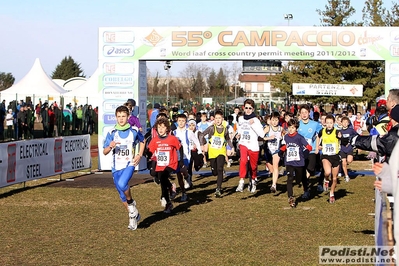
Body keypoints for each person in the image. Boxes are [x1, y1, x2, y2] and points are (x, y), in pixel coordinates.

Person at [103, 105, 144, 230]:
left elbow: (142, 141)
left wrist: (139, 154)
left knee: (122, 184)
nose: (121, 119)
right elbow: (104, 152)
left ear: (128, 117)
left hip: (129, 164)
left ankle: (132, 206)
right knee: (122, 195)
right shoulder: (112, 132)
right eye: (119, 116)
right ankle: (133, 215)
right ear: (116, 117)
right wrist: (110, 146)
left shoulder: (134, 131)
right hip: (116, 167)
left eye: (123, 116)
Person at [147, 117, 182, 213]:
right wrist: (145, 154)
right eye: (159, 127)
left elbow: (180, 148)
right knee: (162, 183)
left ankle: (168, 197)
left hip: (171, 163)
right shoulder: (154, 140)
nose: (161, 129)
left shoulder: (172, 139)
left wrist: (181, 161)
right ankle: (169, 202)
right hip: (160, 164)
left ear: (167, 128)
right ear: (156, 129)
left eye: (163, 127)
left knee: (162, 178)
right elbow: (150, 152)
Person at [199, 110, 234, 197]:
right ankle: (217, 176)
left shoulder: (225, 129)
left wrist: (232, 147)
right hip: (212, 152)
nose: (218, 120)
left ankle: (218, 188)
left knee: (220, 169)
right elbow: (201, 135)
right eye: (216, 118)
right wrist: (202, 144)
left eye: (219, 118)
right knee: (214, 172)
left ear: (222, 119)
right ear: (214, 119)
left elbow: (228, 139)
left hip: (221, 151)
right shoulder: (211, 128)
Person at [279, 118, 312, 207]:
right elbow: (285, 146)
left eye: (293, 127)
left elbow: (309, 147)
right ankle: (290, 197)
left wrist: (305, 153)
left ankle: (306, 189)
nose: (290, 129)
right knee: (289, 178)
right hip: (289, 161)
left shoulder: (299, 137)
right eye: (289, 127)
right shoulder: (286, 137)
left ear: (296, 128)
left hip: (299, 162)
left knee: (299, 179)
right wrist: (281, 151)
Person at [235, 99, 265, 193]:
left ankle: (253, 180)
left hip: (253, 146)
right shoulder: (240, 118)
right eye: (246, 108)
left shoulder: (255, 120)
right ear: (243, 108)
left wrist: (253, 125)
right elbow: (240, 129)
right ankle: (241, 181)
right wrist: (238, 134)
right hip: (243, 143)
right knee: (243, 161)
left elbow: (262, 134)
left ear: (253, 109)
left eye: (250, 108)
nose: (248, 110)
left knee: (253, 167)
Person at [172, 114, 202, 201]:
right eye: (179, 121)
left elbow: (196, 141)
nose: (181, 123)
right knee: (179, 176)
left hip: (186, 156)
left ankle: (187, 176)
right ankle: (183, 193)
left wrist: (199, 152)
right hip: (176, 157)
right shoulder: (174, 133)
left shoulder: (189, 132)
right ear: (177, 122)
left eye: (183, 121)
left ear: (186, 122)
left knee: (182, 170)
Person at [297, 104, 322, 196]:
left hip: (311, 150)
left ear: (309, 113)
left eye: (306, 112)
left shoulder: (315, 124)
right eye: (302, 112)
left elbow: (321, 133)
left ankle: (306, 180)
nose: (304, 114)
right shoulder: (297, 124)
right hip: (300, 151)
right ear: (300, 114)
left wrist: (318, 144)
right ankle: (306, 190)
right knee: (302, 170)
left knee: (311, 168)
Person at [318, 114, 342, 203]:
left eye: (331, 123)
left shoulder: (337, 132)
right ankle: (326, 179)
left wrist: (340, 137)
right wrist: (318, 146)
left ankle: (332, 193)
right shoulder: (322, 131)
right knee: (327, 172)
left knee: (335, 178)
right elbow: (318, 137)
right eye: (327, 123)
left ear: (334, 123)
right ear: (325, 123)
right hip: (326, 156)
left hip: (335, 156)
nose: (329, 125)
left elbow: (343, 140)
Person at [263, 111, 284, 193]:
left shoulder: (281, 129)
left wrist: (283, 137)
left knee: (276, 166)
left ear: (279, 120)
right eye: (273, 120)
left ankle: (273, 185)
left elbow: (285, 136)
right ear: (270, 120)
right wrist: (268, 138)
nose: (274, 122)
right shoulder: (268, 128)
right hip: (268, 150)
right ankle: (274, 178)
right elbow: (259, 137)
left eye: (276, 120)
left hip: (276, 150)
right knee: (272, 169)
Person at [339, 116, 357, 182]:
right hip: (342, 149)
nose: (345, 123)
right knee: (344, 163)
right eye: (343, 122)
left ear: (348, 123)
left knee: (349, 161)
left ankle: (344, 169)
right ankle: (346, 176)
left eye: (346, 122)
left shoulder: (351, 130)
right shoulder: (339, 131)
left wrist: (355, 144)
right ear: (341, 123)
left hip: (349, 148)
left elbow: (356, 136)